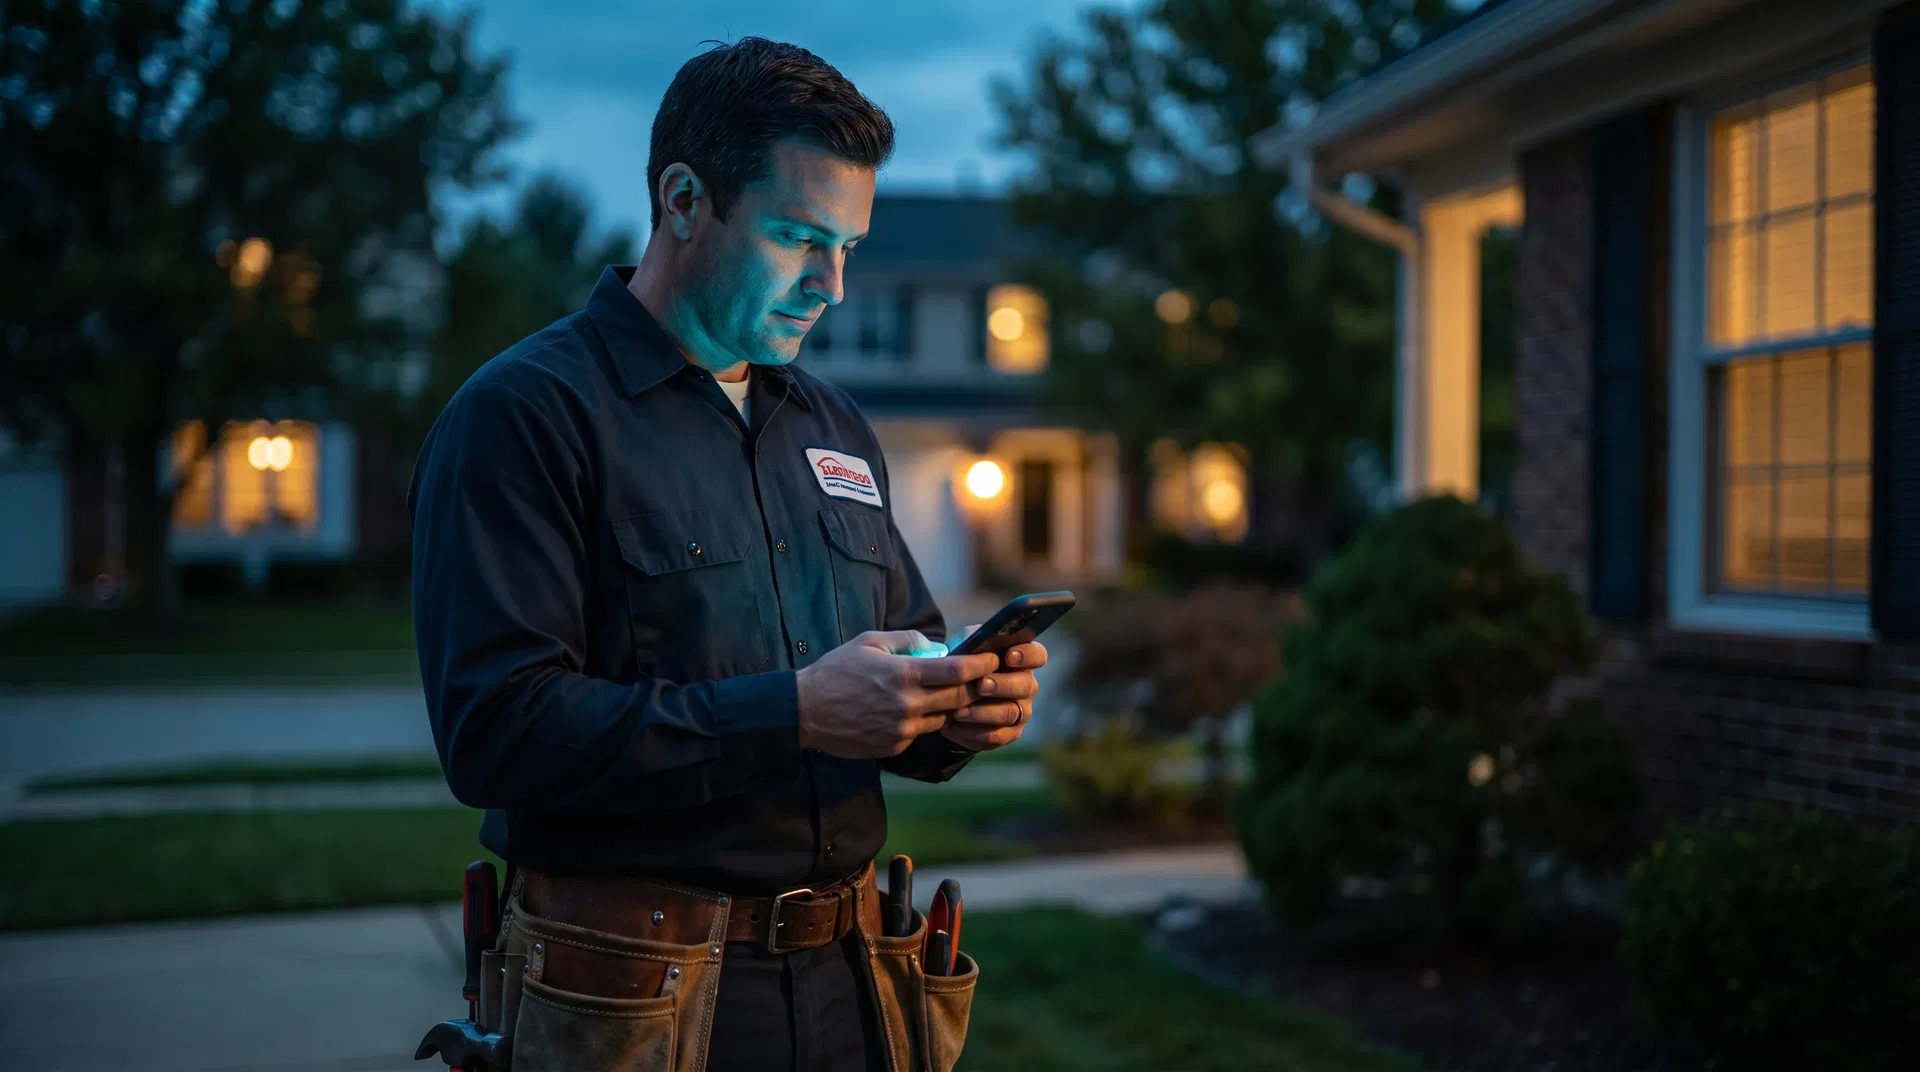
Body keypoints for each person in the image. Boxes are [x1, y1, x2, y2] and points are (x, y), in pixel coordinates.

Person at [406, 36, 1045, 1072]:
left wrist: (957, 710)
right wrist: (792, 710)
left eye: (849, 247)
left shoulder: (832, 426)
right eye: (799, 239)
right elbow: (495, 730)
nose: (833, 286)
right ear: (684, 200)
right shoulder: (525, 419)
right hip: (628, 991)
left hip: (857, 980)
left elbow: (897, 663)